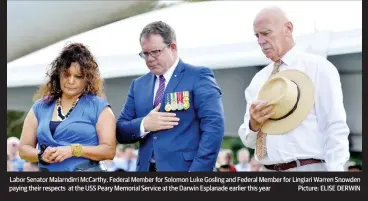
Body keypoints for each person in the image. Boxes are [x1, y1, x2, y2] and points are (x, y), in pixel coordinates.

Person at [238, 6, 350, 171]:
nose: (260, 41)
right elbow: (249, 141)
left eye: (266, 33)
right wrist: (253, 125)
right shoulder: (258, 80)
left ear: (288, 29)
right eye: (257, 35)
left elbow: (335, 127)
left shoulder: (318, 68)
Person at [116, 21, 225, 172]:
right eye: (145, 54)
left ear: (172, 47)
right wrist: (144, 124)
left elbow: (214, 127)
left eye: (155, 52)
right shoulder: (138, 85)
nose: (149, 59)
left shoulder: (198, 76)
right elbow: (121, 130)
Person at [19, 43, 116, 172]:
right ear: (58, 75)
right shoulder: (40, 107)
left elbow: (109, 151)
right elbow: (23, 149)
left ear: (87, 79)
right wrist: (41, 155)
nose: (71, 81)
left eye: (78, 76)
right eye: (66, 74)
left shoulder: (100, 107)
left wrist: (73, 150)